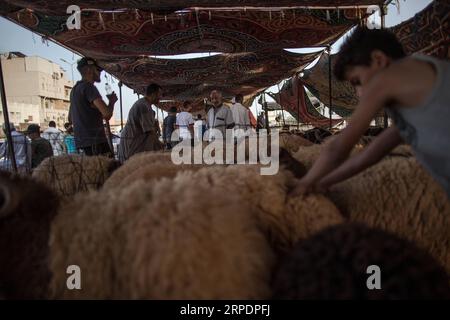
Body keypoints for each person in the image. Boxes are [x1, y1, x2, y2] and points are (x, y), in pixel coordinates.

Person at [292, 27, 450, 199]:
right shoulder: (419, 88)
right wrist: (324, 182)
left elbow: (338, 148)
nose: (359, 93)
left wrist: (303, 185)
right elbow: (371, 153)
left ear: (378, 60)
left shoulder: (385, 80)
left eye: (357, 81)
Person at [69, 57, 117, 156]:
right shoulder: (89, 87)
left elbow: (70, 118)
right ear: (89, 70)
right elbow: (107, 114)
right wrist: (112, 101)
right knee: (111, 169)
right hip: (96, 142)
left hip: (83, 144)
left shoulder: (74, 90)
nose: (100, 73)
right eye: (97, 70)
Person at [118, 83, 163, 162]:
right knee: (131, 170)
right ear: (153, 94)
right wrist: (160, 144)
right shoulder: (143, 106)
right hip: (131, 143)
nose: (160, 97)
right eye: (159, 95)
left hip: (134, 143)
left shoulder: (145, 105)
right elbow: (150, 132)